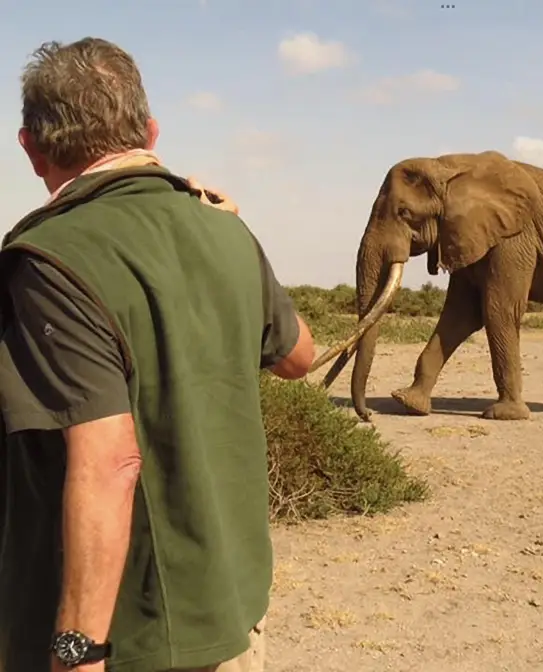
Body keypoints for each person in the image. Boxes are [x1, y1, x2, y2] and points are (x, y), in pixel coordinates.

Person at [0, 37, 315, 672]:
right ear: (148, 129)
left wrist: (76, 650)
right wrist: (232, 236)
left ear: (31, 149)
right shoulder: (225, 228)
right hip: (232, 615)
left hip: (123, 643)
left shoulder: (50, 262)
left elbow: (109, 462)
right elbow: (299, 356)